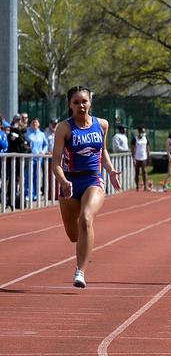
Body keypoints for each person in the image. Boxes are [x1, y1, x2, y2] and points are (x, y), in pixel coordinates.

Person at [51, 85, 122, 288]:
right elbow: (55, 162)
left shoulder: (102, 124)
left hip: (93, 180)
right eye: (76, 102)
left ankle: (80, 272)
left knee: (86, 219)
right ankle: (81, 255)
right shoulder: (64, 128)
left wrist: (110, 170)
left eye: (84, 101)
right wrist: (63, 181)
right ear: (70, 105)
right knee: (74, 235)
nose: (81, 106)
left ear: (90, 102)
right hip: (70, 182)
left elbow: (103, 151)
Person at [25, 118, 49, 201]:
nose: (34, 124)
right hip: (30, 157)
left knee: (37, 176)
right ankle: (28, 193)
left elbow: (45, 144)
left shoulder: (42, 134)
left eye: (36, 123)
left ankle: (35, 194)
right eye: (33, 123)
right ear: (30, 124)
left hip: (39, 158)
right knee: (28, 176)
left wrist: (43, 151)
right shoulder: (27, 133)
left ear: (38, 124)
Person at [131, 126, 151, 191]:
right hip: (137, 157)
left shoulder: (146, 139)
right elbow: (132, 149)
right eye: (142, 131)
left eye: (144, 131)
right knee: (137, 172)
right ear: (139, 132)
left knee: (144, 172)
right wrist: (133, 158)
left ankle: (145, 185)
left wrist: (148, 156)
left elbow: (147, 148)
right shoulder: (135, 139)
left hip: (144, 157)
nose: (143, 133)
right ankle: (137, 186)